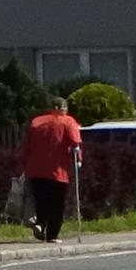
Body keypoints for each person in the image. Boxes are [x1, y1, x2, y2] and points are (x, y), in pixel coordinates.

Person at [20, 95, 84, 241]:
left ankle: (41, 223)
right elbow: (76, 142)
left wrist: (25, 164)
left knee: (42, 200)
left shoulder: (36, 122)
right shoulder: (68, 121)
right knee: (57, 203)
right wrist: (78, 160)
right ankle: (52, 234)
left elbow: (26, 145)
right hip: (57, 171)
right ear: (62, 108)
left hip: (35, 170)